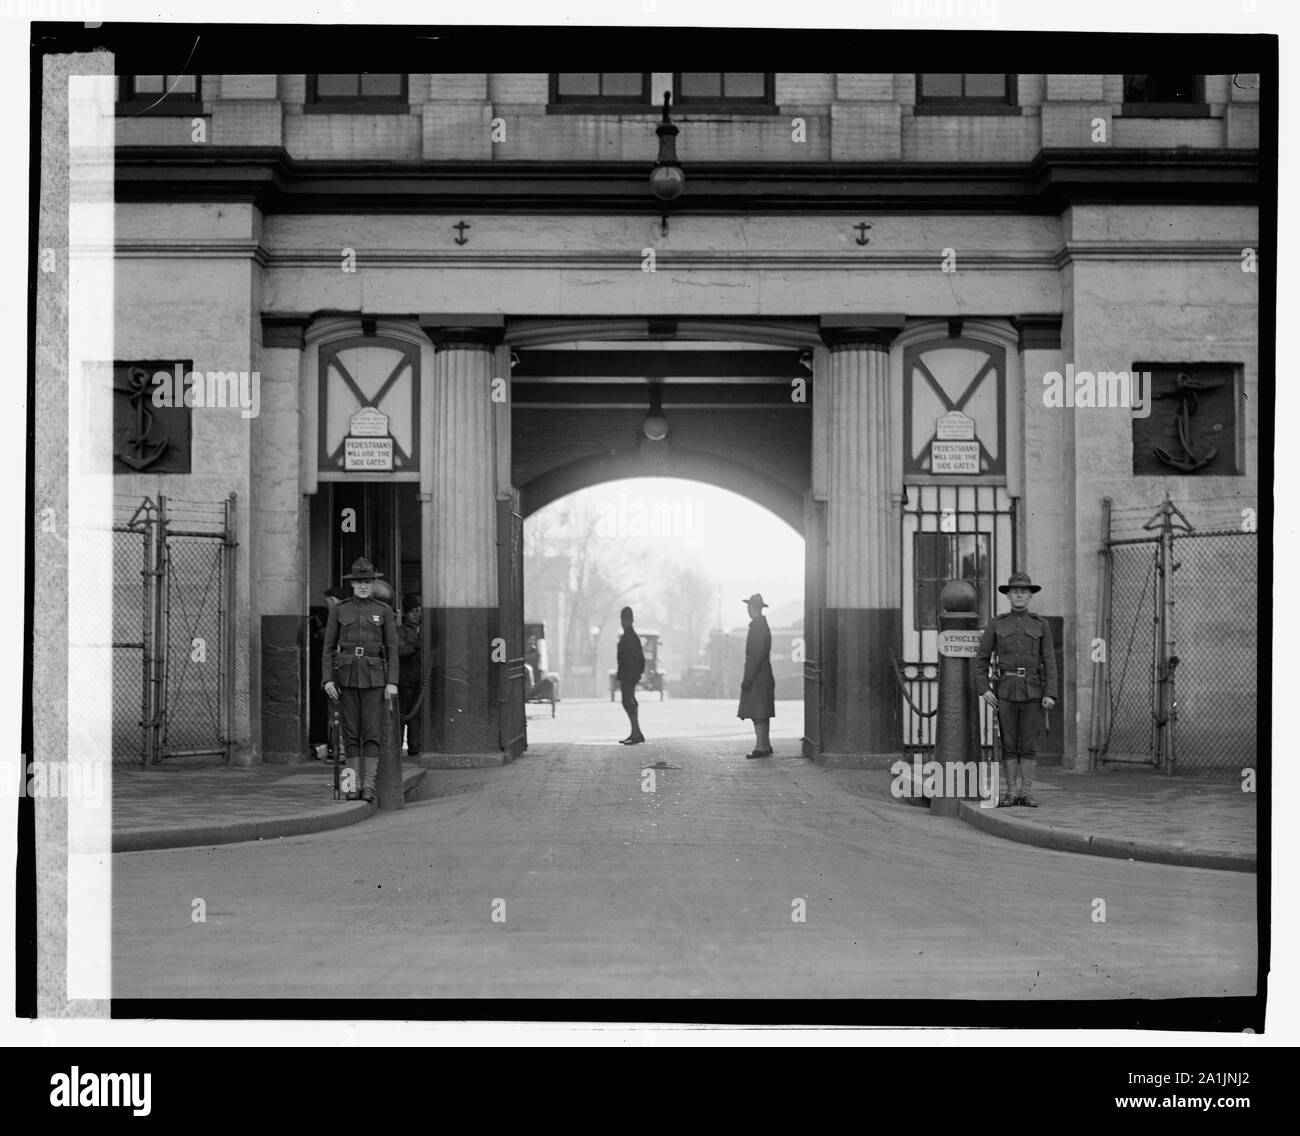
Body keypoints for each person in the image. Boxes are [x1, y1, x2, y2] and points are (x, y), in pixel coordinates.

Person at [975, 571, 1058, 808]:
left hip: (1033, 692)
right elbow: (981, 659)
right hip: (1006, 691)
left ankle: (1027, 792)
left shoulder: (1041, 625)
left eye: (1024, 591)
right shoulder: (997, 623)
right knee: (1009, 743)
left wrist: (1050, 693)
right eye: (1015, 591)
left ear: (1030, 596)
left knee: (1028, 745)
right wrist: (984, 689)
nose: (1019, 595)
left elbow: (1050, 661)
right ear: (1008, 595)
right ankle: (1011, 793)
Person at [322, 558, 399, 802]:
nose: (363, 586)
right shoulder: (340, 610)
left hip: (375, 679)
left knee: (372, 734)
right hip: (345, 678)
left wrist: (392, 682)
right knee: (350, 734)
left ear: (373, 584)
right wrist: (328, 680)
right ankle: (352, 786)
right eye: (359, 582)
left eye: (367, 582)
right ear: (352, 584)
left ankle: (368, 787)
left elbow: (392, 648)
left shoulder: (383, 611)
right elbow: (328, 648)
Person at [738, 593, 776, 758]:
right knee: (763, 710)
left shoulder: (757, 627)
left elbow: (755, 655)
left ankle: (760, 747)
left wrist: (748, 679)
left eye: (748, 607)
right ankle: (765, 745)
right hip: (764, 673)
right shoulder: (762, 626)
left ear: (752, 608)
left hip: (758, 676)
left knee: (757, 712)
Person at [396, 598, 423, 759]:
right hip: (404, 679)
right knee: (402, 716)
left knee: (416, 716)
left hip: (418, 679)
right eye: (413, 612)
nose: (416, 615)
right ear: (406, 613)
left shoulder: (423, 630)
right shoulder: (400, 631)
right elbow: (401, 651)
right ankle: (397, 748)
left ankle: (415, 747)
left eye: (418, 612)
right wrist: (416, 645)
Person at [616, 606, 646, 745]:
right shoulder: (630, 636)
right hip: (629, 674)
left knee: (628, 702)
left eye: (624, 619)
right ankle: (636, 732)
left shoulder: (630, 637)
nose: (622, 622)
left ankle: (635, 733)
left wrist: (633, 673)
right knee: (629, 702)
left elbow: (635, 658)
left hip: (629, 674)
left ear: (629, 620)